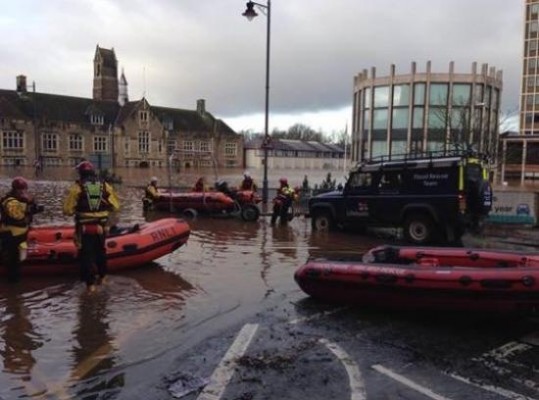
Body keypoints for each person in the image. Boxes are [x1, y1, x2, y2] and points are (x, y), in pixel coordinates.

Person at [63, 161, 120, 292]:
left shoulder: (77, 187)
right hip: (101, 227)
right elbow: (116, 205)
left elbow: (67, 210)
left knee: (86, 255)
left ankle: (90, 286)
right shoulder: (105, 186)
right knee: (101, 251)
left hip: (84, 228)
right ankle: (103, 277)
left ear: (81, 173)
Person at [0, 177, 43, 282]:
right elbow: (18, 216)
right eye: (21, 190)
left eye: (24, 189)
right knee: (13, 262)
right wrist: (28, 206)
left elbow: (28, 211)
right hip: (11, 235)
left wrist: (33, 206)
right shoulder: (11, 202)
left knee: (16, 259)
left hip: (20, 234)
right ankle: (13, 290)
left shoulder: (21, 200)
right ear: (15, 190)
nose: (23, 192)